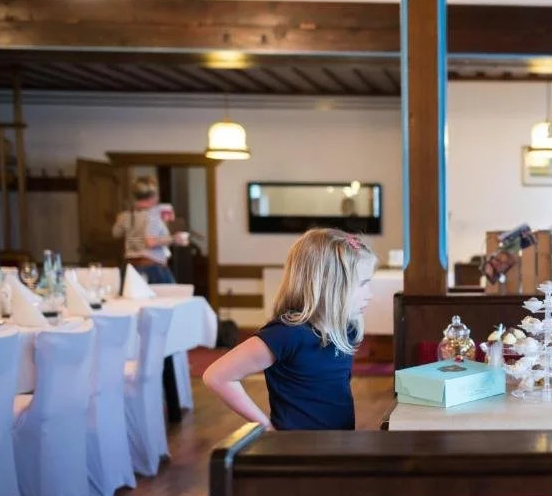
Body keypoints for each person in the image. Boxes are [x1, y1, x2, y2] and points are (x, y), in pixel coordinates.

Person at [203, 228, 376, 430]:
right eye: (362, 284)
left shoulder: (347, 328)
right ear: (328, 284)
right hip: (296, 447)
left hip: (338, 442)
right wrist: (265, 427)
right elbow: (216, 376)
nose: (369, 294)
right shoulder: (288, 333)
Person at [111, 176, 186, 284]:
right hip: (153, 267)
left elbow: (116, 233)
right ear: (153, 195)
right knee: (172, 295)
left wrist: (119, 220)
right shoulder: (154, 214)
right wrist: (175, 238)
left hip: (131, 268)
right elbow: (150, 242)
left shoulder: (125, 215)